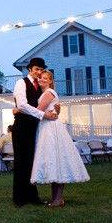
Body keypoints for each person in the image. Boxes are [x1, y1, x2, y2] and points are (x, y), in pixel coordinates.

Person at [30, 70, 90, 207]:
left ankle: (58, 199)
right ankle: (56, 199)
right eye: (40, 78)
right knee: (54, 161)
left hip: (52, 129)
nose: (42, 80)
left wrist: (24, 109)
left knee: (56, 160)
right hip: (47, 127)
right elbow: (44, 111)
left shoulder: (49, 92)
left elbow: (37, 111)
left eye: (45, 78)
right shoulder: (45, 93)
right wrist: (52, 112)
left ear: (51, 81)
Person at [11, 57, 59, 206]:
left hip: (35, 128)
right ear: (30, 69)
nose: (39, 72)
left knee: (32, 163)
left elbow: (50, 103)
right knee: (21, 162)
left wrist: (56, 109)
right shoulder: (21, 83)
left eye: (41, 69)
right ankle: (19, 199)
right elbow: (23, 105)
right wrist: (43, 114)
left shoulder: (41, 87)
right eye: (36, 69)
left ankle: (32, 197)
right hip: (21, 127)